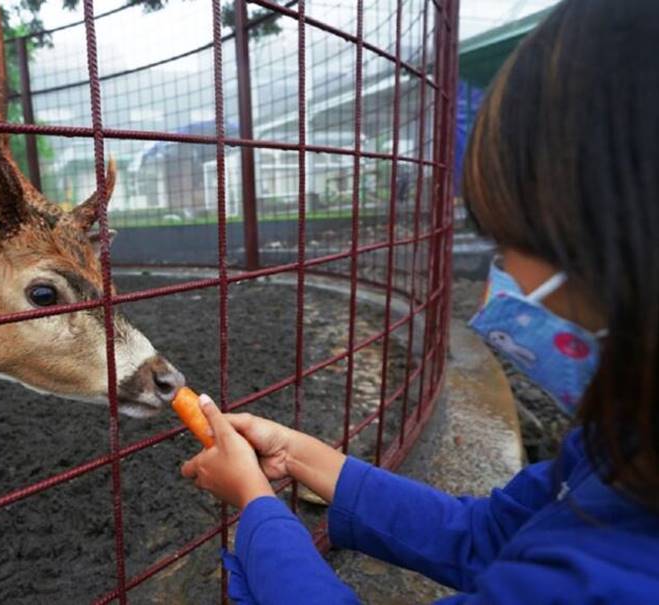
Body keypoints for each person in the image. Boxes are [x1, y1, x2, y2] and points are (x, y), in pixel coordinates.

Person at [180, 0, 659, 602]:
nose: (500, 276)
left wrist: (258, 509)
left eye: (506, 242)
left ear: (616, 245)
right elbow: (486, 534)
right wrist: (307, 459)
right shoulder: (625, 447)